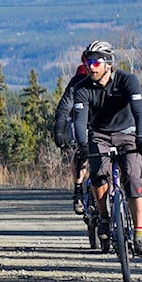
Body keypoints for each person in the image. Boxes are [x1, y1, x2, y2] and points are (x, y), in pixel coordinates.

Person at [72, 40, 142, 257]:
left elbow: (140, 112)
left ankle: (139, 234)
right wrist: (83, 145)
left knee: (134, 179)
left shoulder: (128, 81)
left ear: (108, 64)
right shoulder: (82, 88)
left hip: (127, 133)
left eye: (96, 62)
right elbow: (80, 120)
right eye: (88, 62)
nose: (91, 67)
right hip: (99, 134)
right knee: (98, 176)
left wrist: (141, 138)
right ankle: (105, 217)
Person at [53, 52, 91, 215]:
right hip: (78, 119)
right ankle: (78, 190)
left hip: (101, 120)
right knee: (80, 151)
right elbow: (63, 109)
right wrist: (59, 131)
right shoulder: (78, 82)